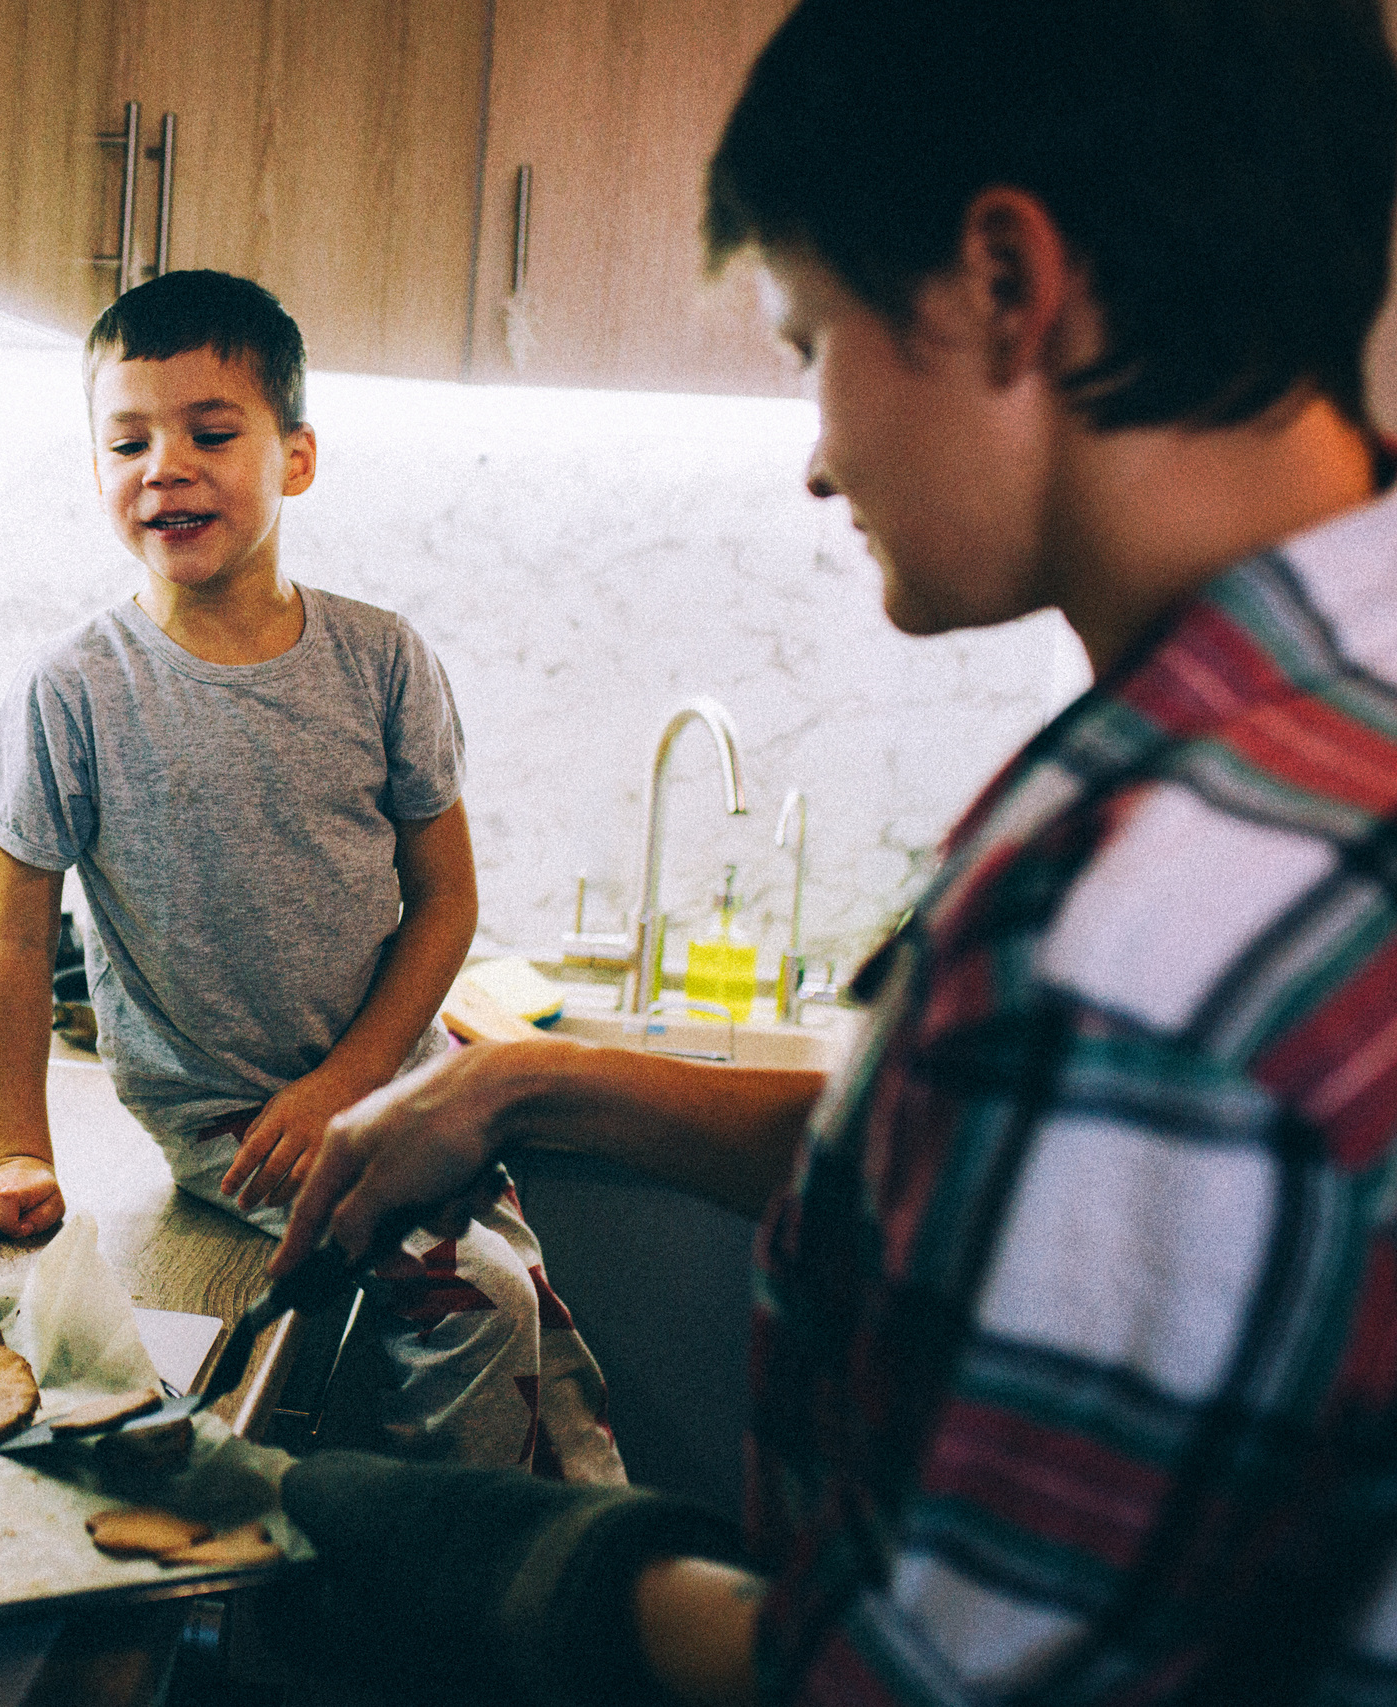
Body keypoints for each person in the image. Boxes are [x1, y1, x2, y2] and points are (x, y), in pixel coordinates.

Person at [262, 0, 1397, 1701]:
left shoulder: (1146, 915)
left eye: (809, 341)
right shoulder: (1332, 704)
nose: (815, 456)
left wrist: (458, 1548)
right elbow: (1010, 1163)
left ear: (1005, 285)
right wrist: (521, 1089)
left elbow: (910, 1682)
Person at [0, 269, 623, 1478]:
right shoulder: (71, 691)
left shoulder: (380, 658)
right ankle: (454, 1596)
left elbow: (446, 899)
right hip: (232, 1125)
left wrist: (349, 1083)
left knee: (524, 1321)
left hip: (395, 1084)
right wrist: (17, 1153)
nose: (166, 467)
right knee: (483, 1301)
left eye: (211, 433)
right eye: (127, 441)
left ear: (295, 457)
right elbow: (16, 937)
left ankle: (534, 1595)